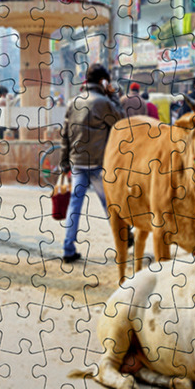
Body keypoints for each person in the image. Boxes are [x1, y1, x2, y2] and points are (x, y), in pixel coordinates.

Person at [58, 63, 124, 264]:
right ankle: (123, 241)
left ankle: (68, 248)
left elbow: (65, 135)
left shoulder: (72, 102)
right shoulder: (102, 102)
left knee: (74, 207)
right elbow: (120, 120)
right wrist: (113, 95)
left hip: (77, 163)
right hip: (98, 163)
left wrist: (63, 162)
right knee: (110, 205)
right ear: (103, 81)